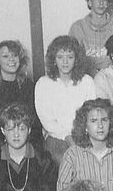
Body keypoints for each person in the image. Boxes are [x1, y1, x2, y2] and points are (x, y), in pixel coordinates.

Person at [35, 35, 96, 165]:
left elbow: (91, 114)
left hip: (83, 135)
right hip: (56, 137)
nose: (65, 62)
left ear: (76, 59)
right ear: (54, 59)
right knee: (66, 162)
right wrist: (67, 137)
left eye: (70, 57)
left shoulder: (87, 81)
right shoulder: (43, 83)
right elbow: (46, 120)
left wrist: (79, 136)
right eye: (60, 57)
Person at [0, 40, 42, 157]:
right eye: (5, 56)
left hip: (23, 136)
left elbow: (33, 118)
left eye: (15, 55)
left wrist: (22, 138)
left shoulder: (28, 85)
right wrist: (11, 142)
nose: (11, 59)